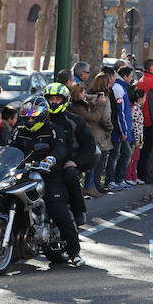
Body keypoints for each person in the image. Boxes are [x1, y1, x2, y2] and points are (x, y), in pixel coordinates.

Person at [11, 96, 85, 267]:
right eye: (27, 116)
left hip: (49, 175)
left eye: (33, 116)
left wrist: (51, 158)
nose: (29, 119)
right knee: (7, 200)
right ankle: (14, 246)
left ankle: (74, 252)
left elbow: (61, 147)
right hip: (23, 174)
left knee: (57, 207)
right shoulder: (19, 130)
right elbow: (10, 148)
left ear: (42, 115)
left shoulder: (53, 130)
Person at [42, 83, 96, 227]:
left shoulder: (75, 121)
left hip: (67, 163)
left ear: (65, 100)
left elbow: (89, 145)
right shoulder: (39, 120)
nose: (53, 102)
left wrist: (76, 162)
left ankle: (79, 211)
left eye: (57, 99)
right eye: (50, 99)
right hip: (43, 162)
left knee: (70, 176)